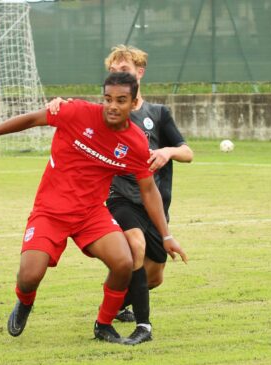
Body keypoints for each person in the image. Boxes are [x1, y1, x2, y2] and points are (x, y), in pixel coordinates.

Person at [0, 72, 188, 344]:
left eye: (121, 100)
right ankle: (25, 302)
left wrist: (166, 235)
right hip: (50, 212)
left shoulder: (135, 142)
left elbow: (149, 190)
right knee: (30, 275)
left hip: (91, 214)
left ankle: (103, 325)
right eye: (108, 99)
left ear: (133, 102)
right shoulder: (75, 112)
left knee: (124, 262)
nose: (113, 106)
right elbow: (32, 119)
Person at [47, 45, 193, 345]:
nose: (117, 77)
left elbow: (188, 152)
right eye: (113, 72)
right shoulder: (109, 112)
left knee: (154, 276)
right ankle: (143, 327)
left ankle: (116, 302)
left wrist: (167, 151)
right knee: (135, 245)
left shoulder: (158, 114)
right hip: (120, 197)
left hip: (154, 203)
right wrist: (59, 103)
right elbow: (79, 114)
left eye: (124, 71)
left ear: (139, 73)